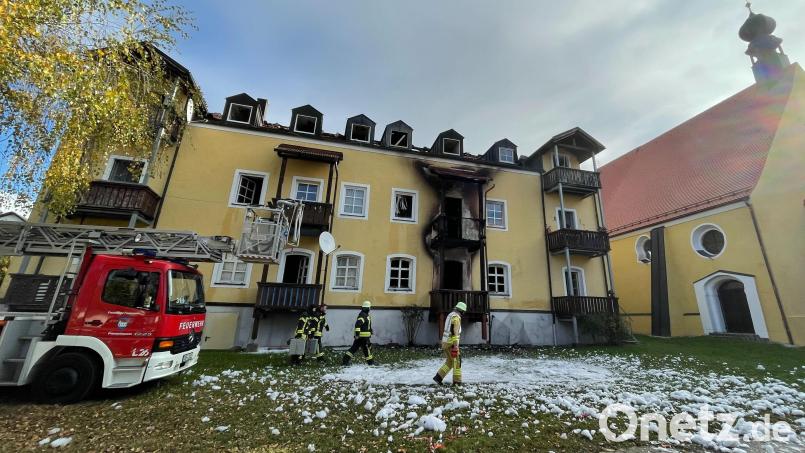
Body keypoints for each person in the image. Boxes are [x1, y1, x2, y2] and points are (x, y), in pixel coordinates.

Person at [433, 301, 466, 385]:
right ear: (462, 311)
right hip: (451, 344)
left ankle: (438, 377)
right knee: (457, 362)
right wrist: (455, 346)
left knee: (450, 362)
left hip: (445, 342)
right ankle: (457, 381)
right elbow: (455, 333)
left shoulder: (450, 315)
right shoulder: (456, 318)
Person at [342, 300, 374, 365]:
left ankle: (345, 360)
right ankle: (371, 363)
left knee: (354, 348)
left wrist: (370, 330)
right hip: (363, 337)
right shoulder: (363, 315)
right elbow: (358, 325)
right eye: (369, 307)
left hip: (361, 337)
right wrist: (357, 334)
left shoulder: (365, 315)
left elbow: (366, 325)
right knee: (367, 349)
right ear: (367, 308)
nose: (370, 309)